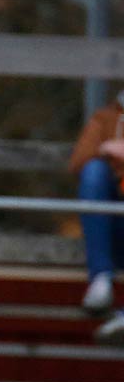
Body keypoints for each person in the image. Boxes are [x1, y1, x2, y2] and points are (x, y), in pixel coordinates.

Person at [69, 93, 124, 345]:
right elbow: (79, 162)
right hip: (114, 226)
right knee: (94, 171)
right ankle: (101, 279)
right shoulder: (106, 118)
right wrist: (105, 149)